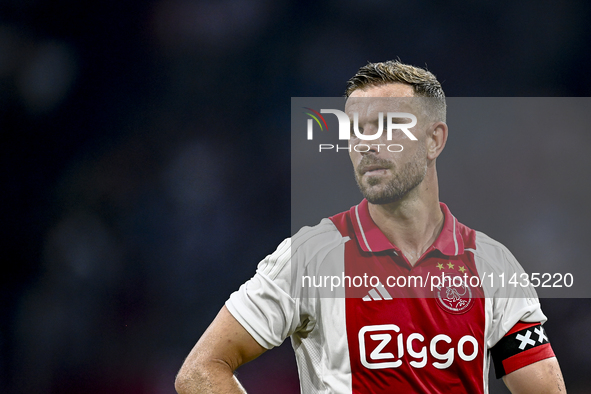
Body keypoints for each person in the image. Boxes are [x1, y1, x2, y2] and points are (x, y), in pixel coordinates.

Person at [174, 60, 566, 393]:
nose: (366, 144)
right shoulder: (309, 257)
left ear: (434, 140)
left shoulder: (493, 266)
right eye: (357, 130)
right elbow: (200, 371)